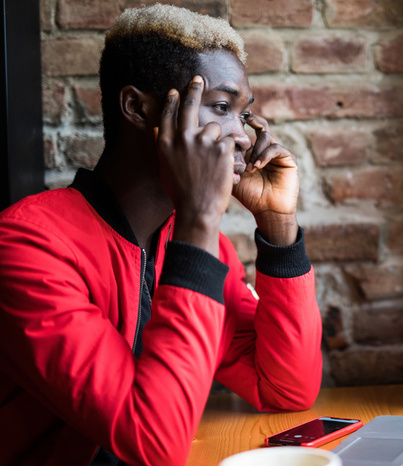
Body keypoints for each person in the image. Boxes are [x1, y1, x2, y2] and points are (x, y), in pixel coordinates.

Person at [0, 4, 322, 465]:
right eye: (221, 107)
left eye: (243, 113)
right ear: (137, 108)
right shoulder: (28, 248)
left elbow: (287, 388)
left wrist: (277, 226)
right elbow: (153, 443)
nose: (244, 136)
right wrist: (200, 217)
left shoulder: (197, 246)